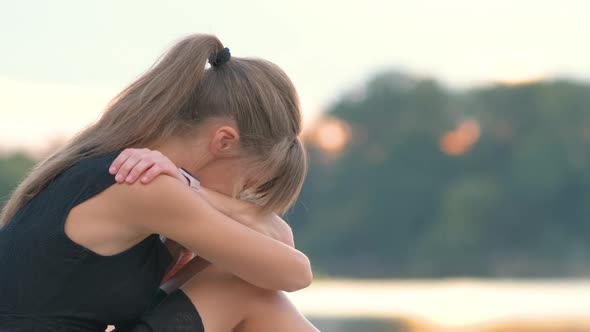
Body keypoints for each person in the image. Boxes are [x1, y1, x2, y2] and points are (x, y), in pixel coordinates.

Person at [0, 34, 318, 331]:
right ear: (223, 142)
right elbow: (295, 273)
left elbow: (279, 242)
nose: (240, 198)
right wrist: (186, 188)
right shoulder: (142, 184)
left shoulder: (111, 168)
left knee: (242, 280)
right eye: (245, 185)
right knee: (242, 287)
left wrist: (194, 188)